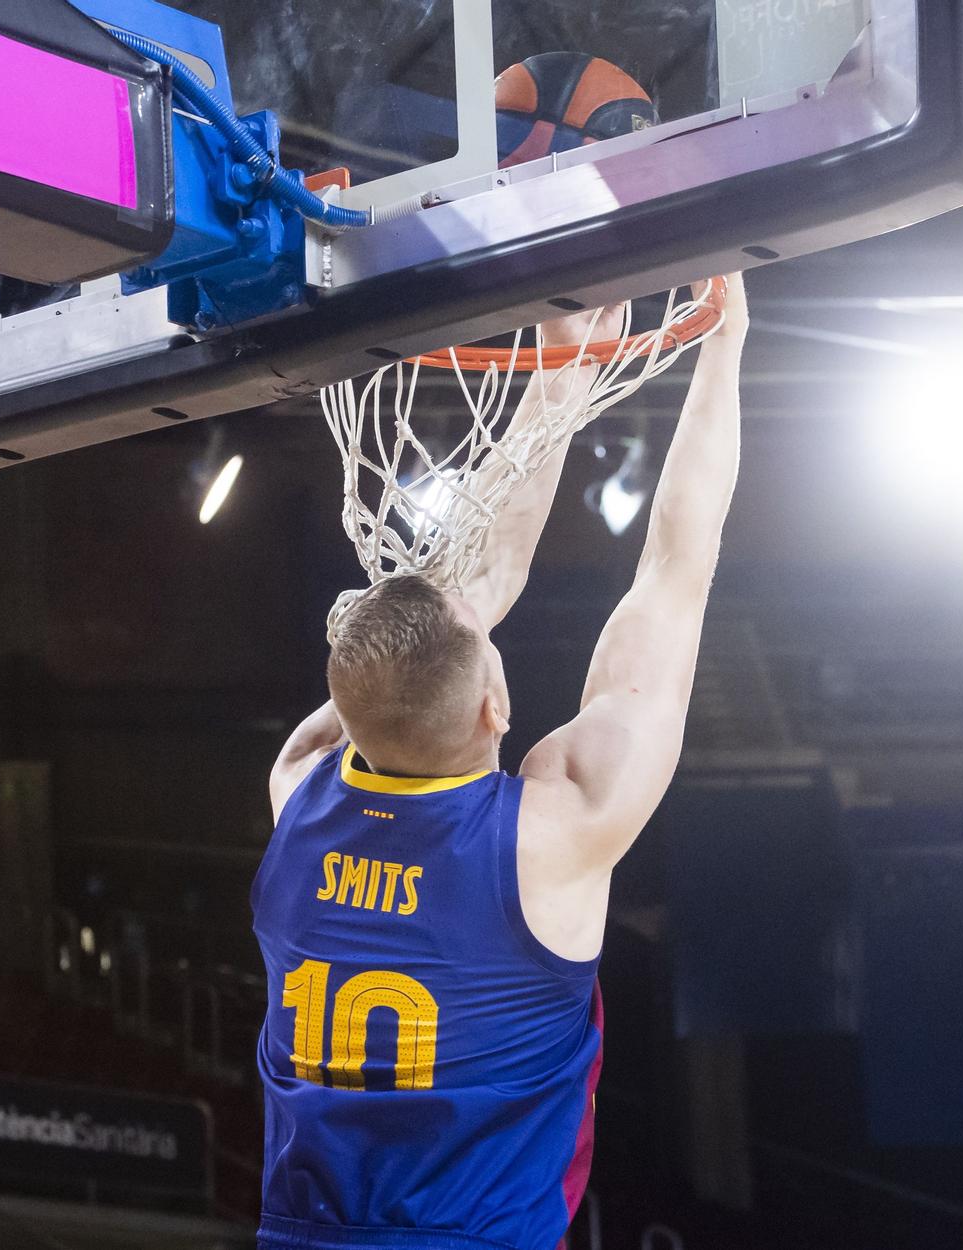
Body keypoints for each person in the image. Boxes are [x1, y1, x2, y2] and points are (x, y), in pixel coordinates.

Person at [250, 277, 749, 1250]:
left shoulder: (303, 784)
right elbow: (672, 575)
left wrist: (560, 372)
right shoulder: (547, 833)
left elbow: (469, 609)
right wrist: (721, 345)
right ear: (495, 705)